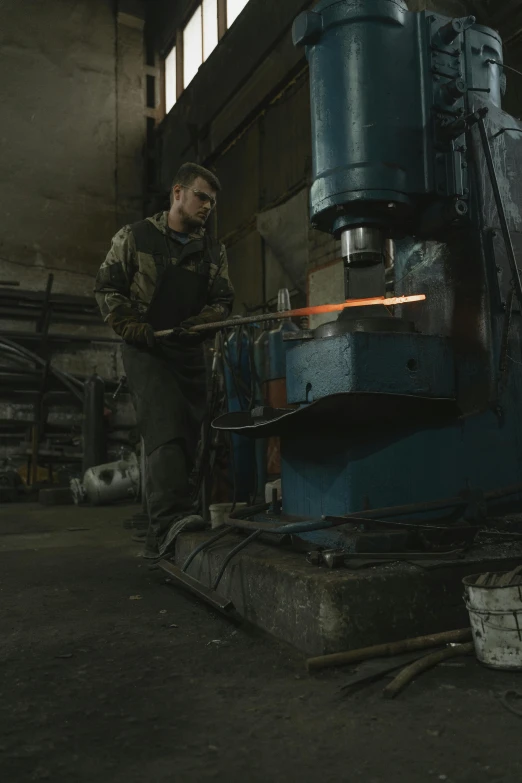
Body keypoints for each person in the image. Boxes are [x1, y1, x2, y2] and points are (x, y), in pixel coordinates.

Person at [95, 163, 234, 559]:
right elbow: (107, 288)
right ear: (178, 193)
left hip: (188, 351)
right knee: (165, 428)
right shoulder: (134, 238)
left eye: (212, 201)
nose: (208, 206)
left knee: (189, 433)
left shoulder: (212, 250)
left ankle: (163, 533)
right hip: (147, 349)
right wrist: (127, 324)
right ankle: (173, 517)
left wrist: (203, 322)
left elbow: (222, 301)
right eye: (201, 197)